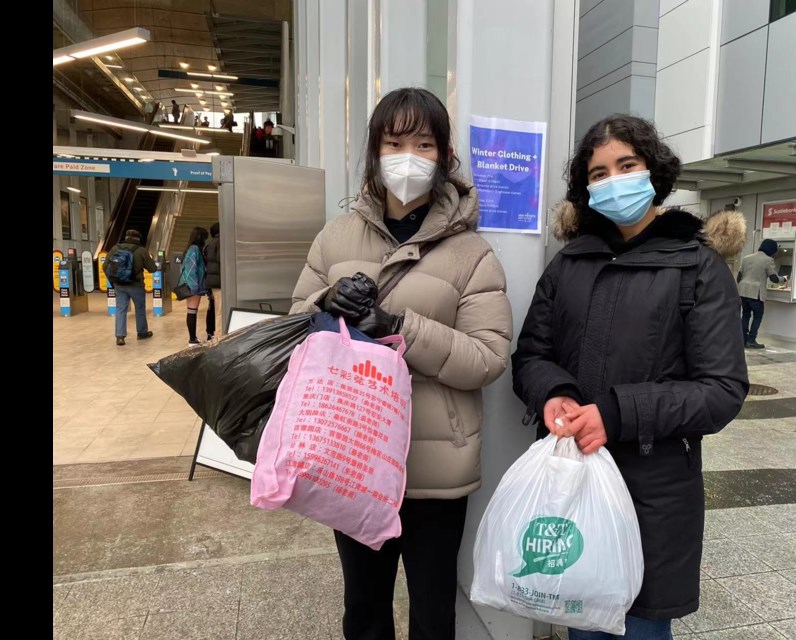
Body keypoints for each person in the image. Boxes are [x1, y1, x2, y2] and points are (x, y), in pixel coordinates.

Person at [511, 114, 749, 640]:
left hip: (654, 493)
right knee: (581, 622)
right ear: (585, 186)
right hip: (572, 481)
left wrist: (617, 414)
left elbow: (721, 390)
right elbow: (531, 353)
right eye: (598, 173)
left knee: (639, 627)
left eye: (627, 165)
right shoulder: (570, 263)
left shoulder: (698, 266)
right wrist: (554, 394)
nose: (613, 180)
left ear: (652, 170)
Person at [289, 86, 513, 640]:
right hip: (354, 458)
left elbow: (487, 358)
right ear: (373, 151)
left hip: (435, 471)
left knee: (433, 615)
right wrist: (325, 305)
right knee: (363, 610)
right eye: (393, 142)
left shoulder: (472, 254)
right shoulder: (335, 236)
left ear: (444, 156)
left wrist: (400, 328)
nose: (407, 156)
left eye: (423, 143)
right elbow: (293, 330)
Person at [104, 229, 157, 346]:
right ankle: (142, 332)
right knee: (140, 309)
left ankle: (120, 336)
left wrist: (113, 282)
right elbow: (152, 268)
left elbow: (104, 266)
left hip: (119, 285)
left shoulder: (115, 248)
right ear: (138, 239)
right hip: (136, 285)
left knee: (120, 309)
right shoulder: (141, 251)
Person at [737, 238, 788, 349]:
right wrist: (784, 279)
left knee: (745, 315)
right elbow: (774, 278)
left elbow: (739, 276)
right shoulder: (767, 260)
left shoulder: (747, 258)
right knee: (757, 316)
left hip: (743, 291)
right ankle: (751, 340)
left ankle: (742, 340)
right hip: (756, 293)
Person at [179, 226, 209, 346]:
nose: (205, 241)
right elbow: (191, 270)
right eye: (204, 238)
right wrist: (195, 289)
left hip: (193, 285)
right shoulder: (194, 249)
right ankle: (192, 339)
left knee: (192, 311)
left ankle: (193, 338)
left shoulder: (191, 248)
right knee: (192, 311)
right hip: (193, 286)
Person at [203, 222, 221, 341]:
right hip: (220, 282)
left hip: (212, 282)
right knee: (220, 312)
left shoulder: (209, 244)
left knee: (215, 309)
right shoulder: (220, 243)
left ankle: (213, 333)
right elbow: (222, 260)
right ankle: (220, 337)